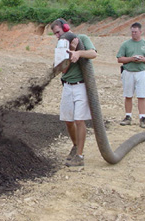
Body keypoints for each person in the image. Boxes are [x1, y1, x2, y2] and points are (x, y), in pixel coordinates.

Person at [51, 18, 97, 167]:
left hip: (81, 86)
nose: (57, 36)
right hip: (67, 86)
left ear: (65, 28)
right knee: (68, 121)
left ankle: (80, 156)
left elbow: (93, 54)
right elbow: (61, 69)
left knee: (79, 120)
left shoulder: (82, 38)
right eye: (55, 34)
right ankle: (76, 146)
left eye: (58, 32)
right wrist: (71, 51)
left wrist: (79, 53)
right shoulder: (61, 45)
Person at [116, 22, 145, 128]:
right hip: (128, 72)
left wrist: (142, 59)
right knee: (128, 95)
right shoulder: (126, 44)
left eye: (136, 32)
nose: (133, 34)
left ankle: (142, 117)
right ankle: (128, 116)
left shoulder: (144, 44)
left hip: (141, 72)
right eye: (132, 32)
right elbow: (119, 58)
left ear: (140, 32)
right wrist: (131, 59)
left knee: (142, 95)